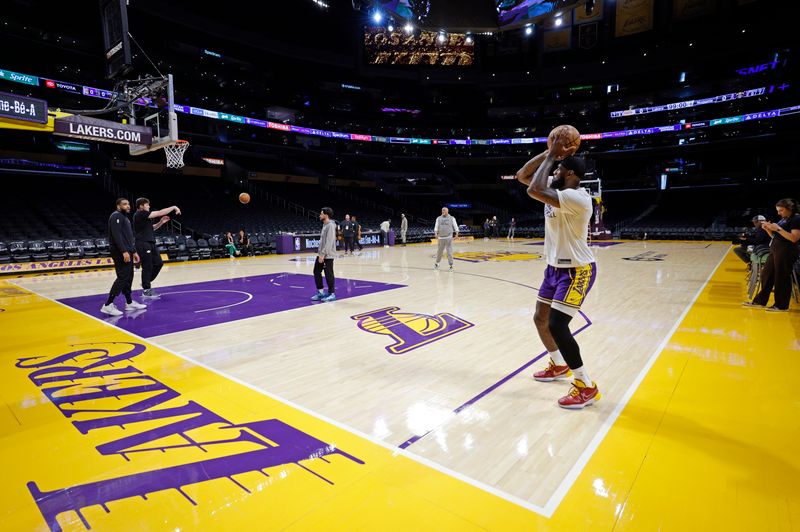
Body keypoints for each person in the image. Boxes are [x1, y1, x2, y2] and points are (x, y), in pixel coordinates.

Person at [515, 139, 599, 409]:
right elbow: (523, 176)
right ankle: (558, 364)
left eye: (559, 168)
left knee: (557, 325)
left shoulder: (576, 197)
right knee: (540, 317)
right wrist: (548, 153)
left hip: (577, 270)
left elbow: (533, 188)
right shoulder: (556, 188)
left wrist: (553, 155)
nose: (554, 171)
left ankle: (586, 384)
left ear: (570, 174)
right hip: (554, 268)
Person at [743, 198, 800, 312]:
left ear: (790, 209)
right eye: (778, 210)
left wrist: (777, 228)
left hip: (786, 251)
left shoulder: (796, 218)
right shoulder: (784, 219)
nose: (778, 213)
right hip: (776, 249)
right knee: (766, 275)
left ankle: (781, 305)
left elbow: (794, 238)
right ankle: (760, 301)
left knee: (781, 277)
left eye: (781, 210)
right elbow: (775, 236)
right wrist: (768, 229)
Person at [100, 198, 146, 316]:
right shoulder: (116, 216)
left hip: (127, 250)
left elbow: (128, 237)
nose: (128, 206)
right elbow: (117, 235)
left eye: (128, 204)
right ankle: (108, 305)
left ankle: (129, 303)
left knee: (128, 276)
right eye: (125, 204)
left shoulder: (124, 217)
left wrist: (134, 252)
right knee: (123, 276)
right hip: (120, 251)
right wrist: (124, 251)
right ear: (118, 206)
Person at [133, 198, 179, 298]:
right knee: (147, 265)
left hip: (150, 243)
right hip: (143, 243)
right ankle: (146, 290)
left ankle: (146, 282)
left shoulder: (144, 216)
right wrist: (174, 207)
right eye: (147, 205)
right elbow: (159, 212)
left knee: (159, 263)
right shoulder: (140, 214)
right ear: (141, 206)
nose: (149, 206)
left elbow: (152, 228)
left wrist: (161, 222)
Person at [312, 207, 337, 302]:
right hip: (321, 253)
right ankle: (321, 292)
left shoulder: (330, 225)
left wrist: (323, 255)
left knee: (328, 274)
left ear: (326, 215)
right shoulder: (324, 225)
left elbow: (329, 242)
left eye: (321, 214)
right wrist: (320, 254)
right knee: (316, 271)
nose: (320, 215)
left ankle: (332, 294)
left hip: (328, 255)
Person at [434, 207, 459, 272]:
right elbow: (436, 226)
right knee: (439, 252)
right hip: (441, 237)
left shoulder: (452, 218)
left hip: (448, 237)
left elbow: (455, 226)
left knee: (449, 252)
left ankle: (451, 266)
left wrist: (457, 233)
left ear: (447, 211)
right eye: (442, 210)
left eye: (444, 210)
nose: (443, 211)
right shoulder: (438, 218)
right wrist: (435, 233)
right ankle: (437, 263)